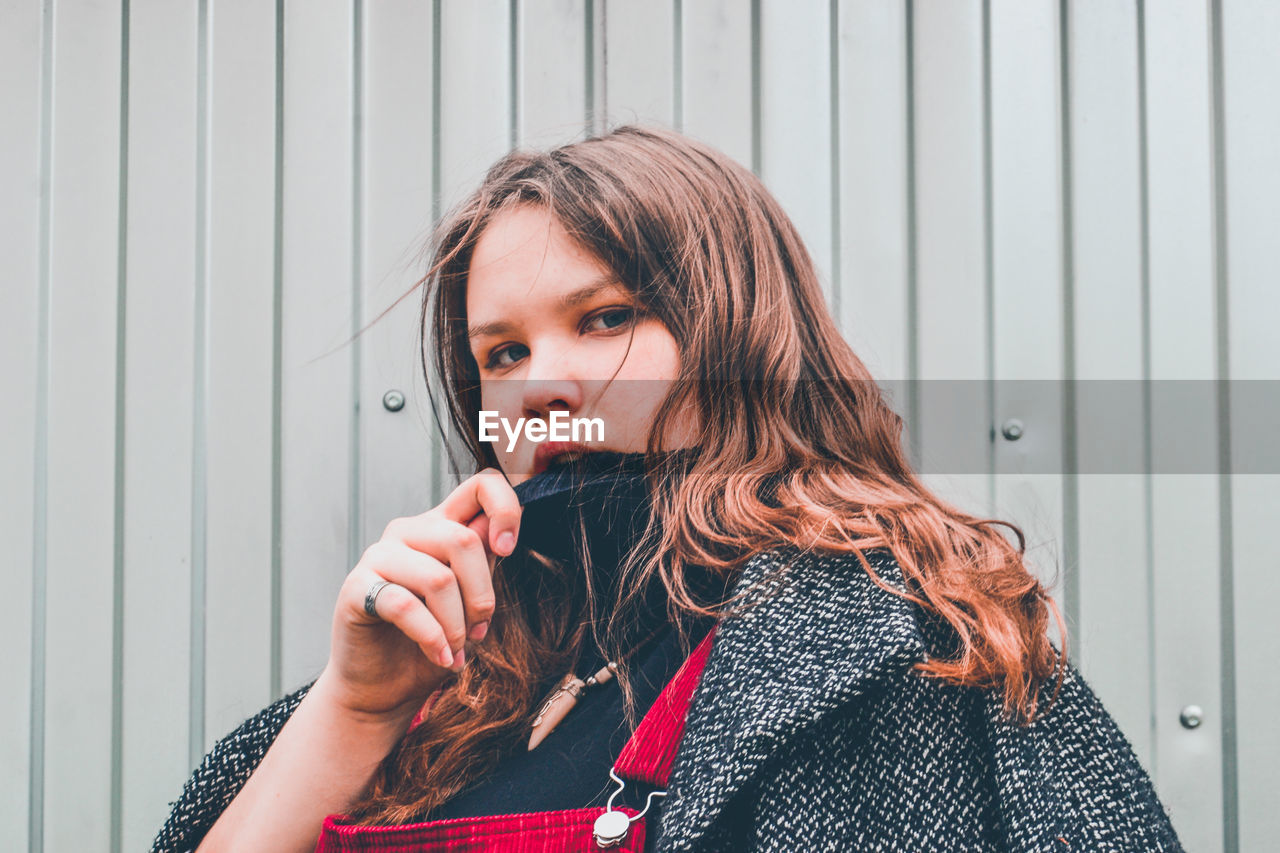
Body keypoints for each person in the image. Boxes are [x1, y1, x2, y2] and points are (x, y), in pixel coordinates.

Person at [151, 124, 1184, 852]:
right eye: (500, 353)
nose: (543, 386)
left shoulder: (892, 657)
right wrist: (355, 706)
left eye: (605, 318)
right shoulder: (449, 691)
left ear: (742, 338)